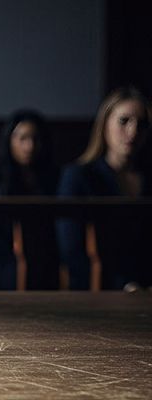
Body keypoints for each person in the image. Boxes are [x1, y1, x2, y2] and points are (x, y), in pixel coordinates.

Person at [57, 87, 152, 291]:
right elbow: (72, 250)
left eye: (141, 124)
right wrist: (123, 285)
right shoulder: (79, 176)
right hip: (95, 291)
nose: (133, 131)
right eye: (124, 121)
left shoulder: (148, 178)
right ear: (105, 124)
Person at [0, 110, 60, 289]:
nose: (29, 146)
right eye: (22, 138)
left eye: (35, 139)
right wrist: (10, 254)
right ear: (9, 140)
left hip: (46, 259)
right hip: (2, 259)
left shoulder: (54, 178)